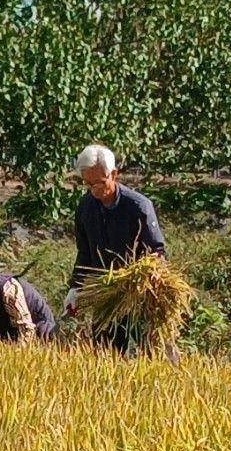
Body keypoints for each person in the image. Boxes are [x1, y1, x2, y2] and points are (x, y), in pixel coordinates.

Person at [66, 144, 166, 349]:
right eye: (88, 184)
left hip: (140, 294)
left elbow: (157, 251)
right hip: (106, 293)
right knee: (105, 354)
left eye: (99, 183)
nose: (94, 189)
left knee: (152, 352)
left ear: (114, 174)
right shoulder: (85, 208)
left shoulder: (138, 207)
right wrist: (75, 287)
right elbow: (84, 253)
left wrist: (146, 274)